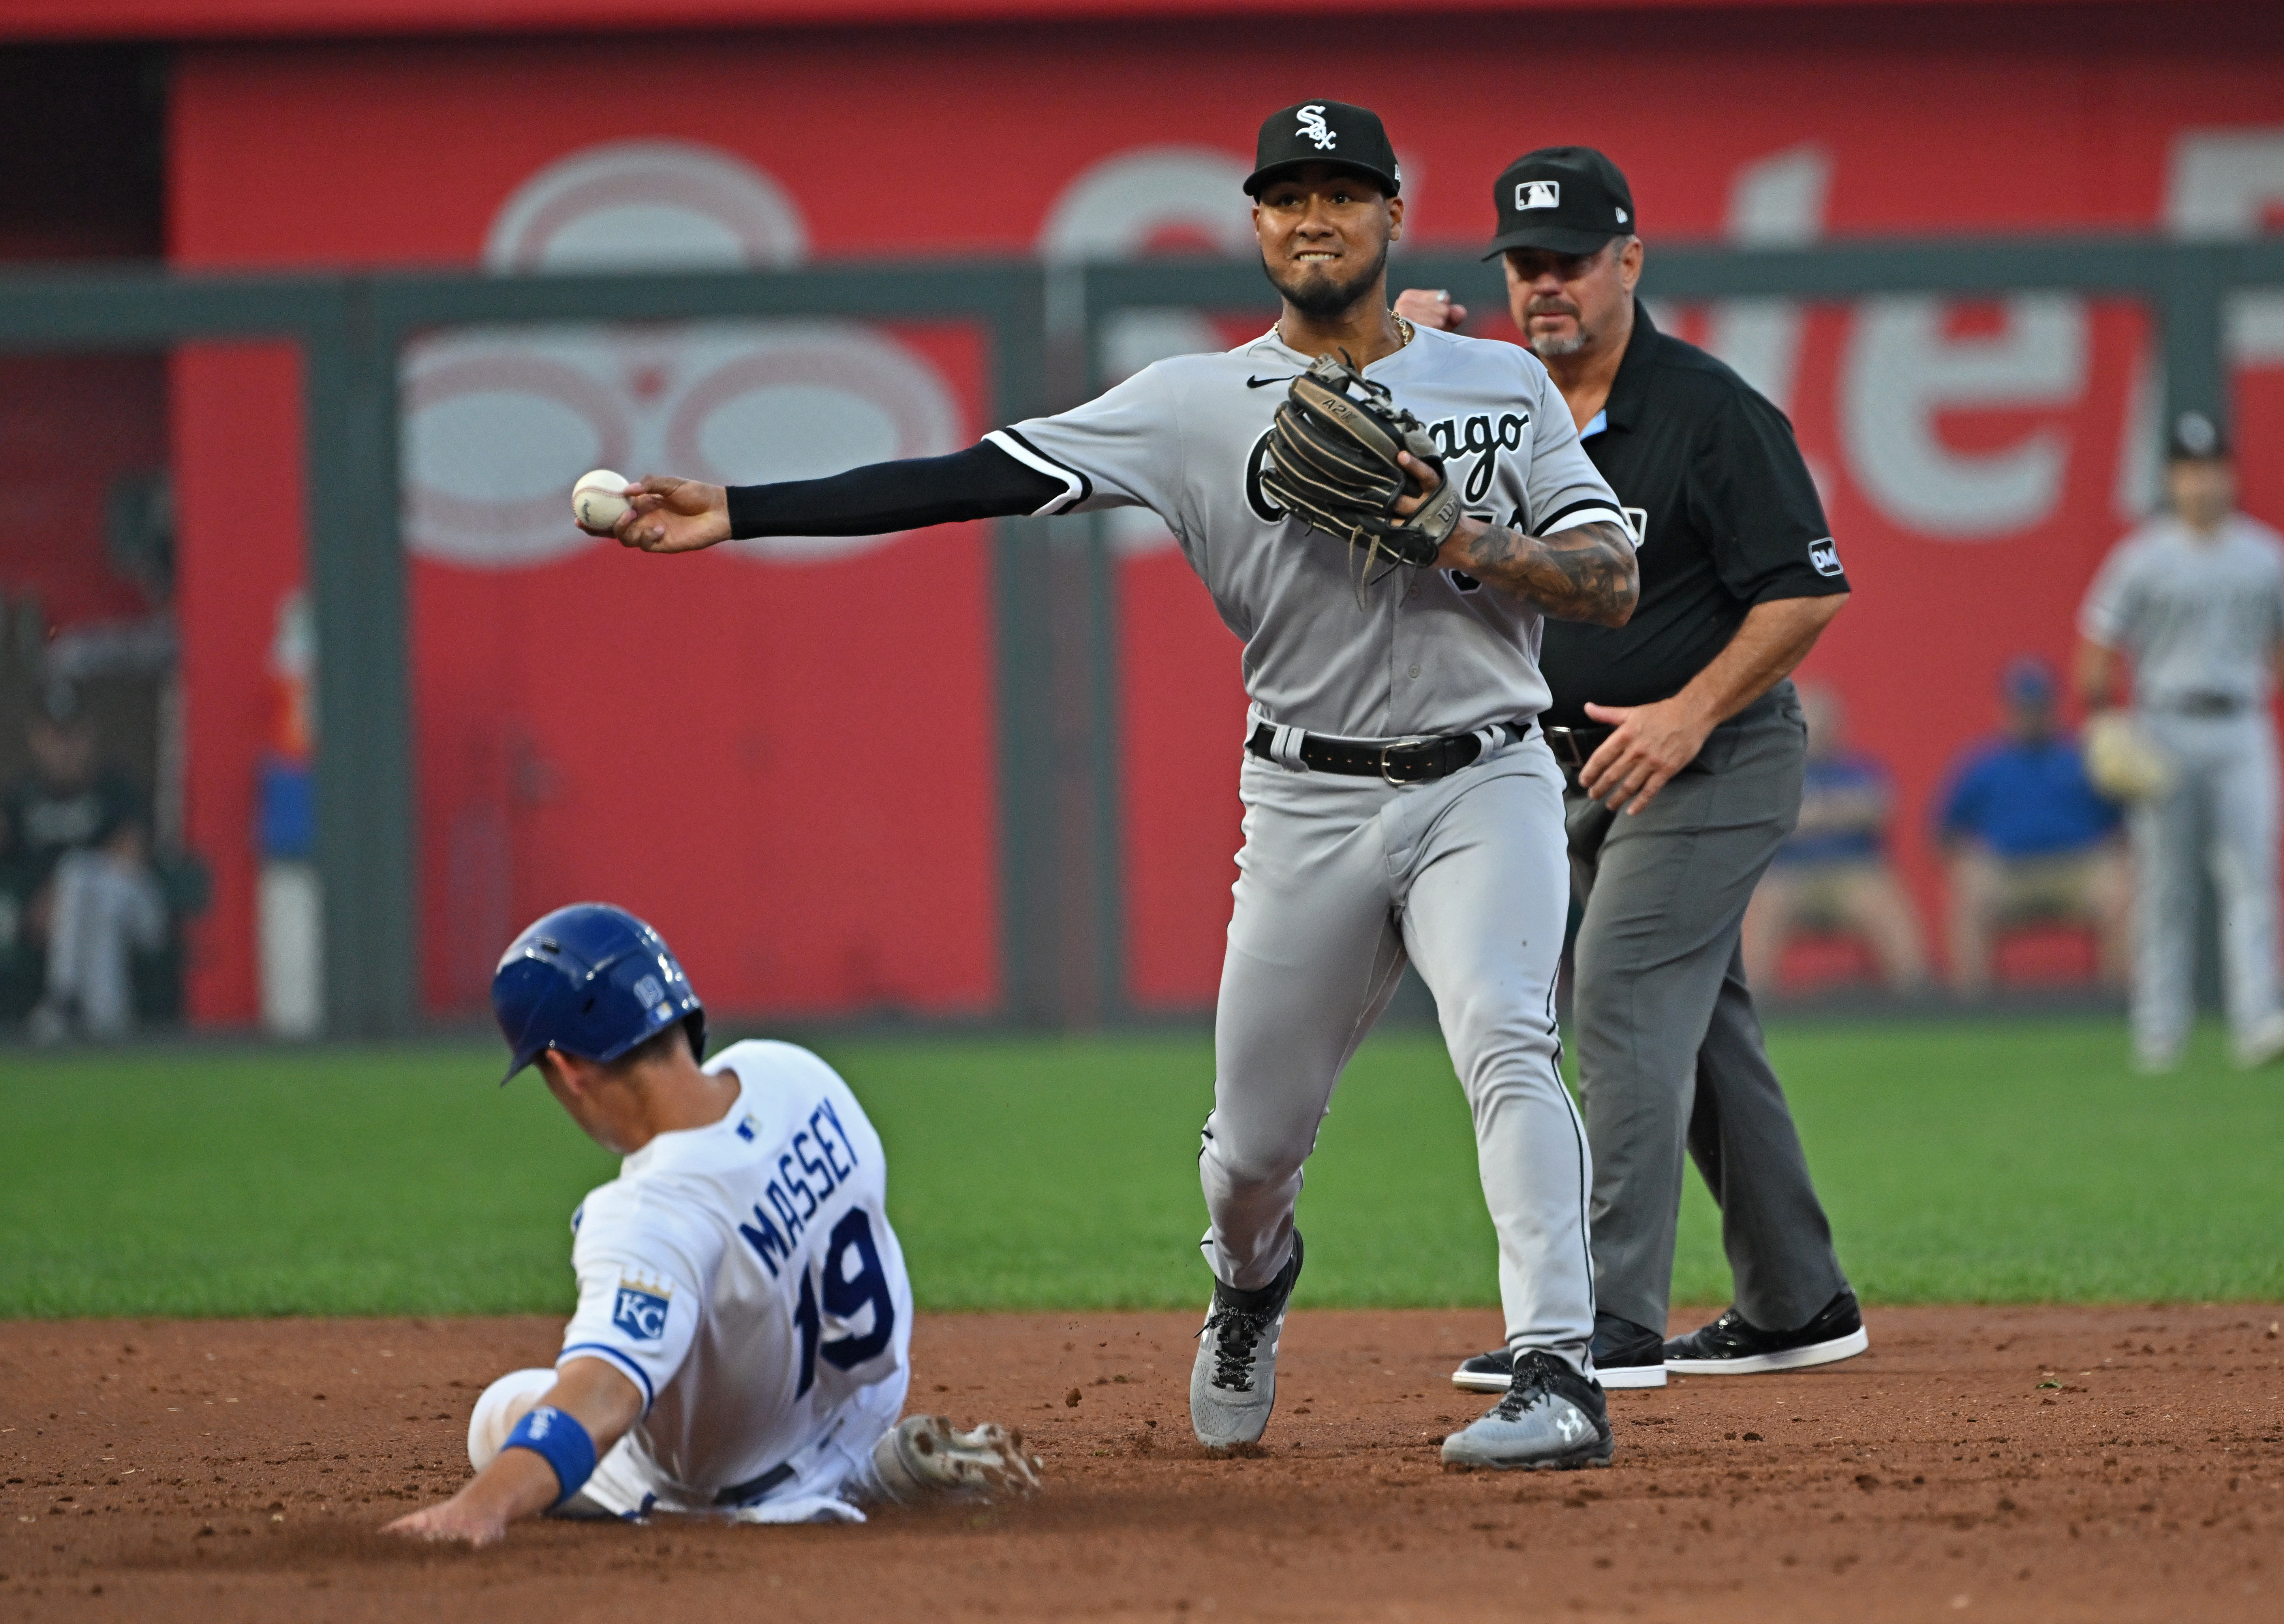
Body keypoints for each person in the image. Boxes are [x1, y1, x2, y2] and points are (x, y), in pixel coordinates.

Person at [594, 101, 1640, 1472]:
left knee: (1507, 1035)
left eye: (1340, 191)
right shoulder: (1187, 404)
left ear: (1392, 216)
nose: (1311, 216)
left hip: (1485, 777)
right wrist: (741, 507)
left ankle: (1559, 1370)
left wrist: (1458, 531)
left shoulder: (1497, 388)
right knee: (1248, 1155)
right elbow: (967, 477)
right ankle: (1251, 1282)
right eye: (1285, 195)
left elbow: (1610, 582)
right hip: (1306, 802)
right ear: (1258, 224)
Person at [1398, 146, 1865, 1392]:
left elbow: (1805, 593)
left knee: (1610, 1000)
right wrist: (1397, 357)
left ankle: (1600, 1325)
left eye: (1568, 263)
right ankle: (1797, 1300)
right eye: (1523, 266)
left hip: (1711, 756)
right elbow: (1345, 459)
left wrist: (1684, 712)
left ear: (1628, 262)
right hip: (1567, 768)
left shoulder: (1707, 412)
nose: (1543, 287)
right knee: (1696, 1026)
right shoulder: (1494, 402)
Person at [386, 903, 1040, 1546]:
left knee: (499, 1415)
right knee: (739, 1300)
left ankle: (854, 1479)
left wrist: (479, 1507)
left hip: (751, 1489)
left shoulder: (648, 1215)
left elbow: (602, 1397)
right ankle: (871, 1461)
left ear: (569, 1067)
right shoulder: (791, 1071)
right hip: (865, 1398)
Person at [2078, 410, 2284, 1071]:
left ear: (2228, 473)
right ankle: (2158, 1033)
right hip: (2162, 721)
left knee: (2251, 874)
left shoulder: (2262, 554)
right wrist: (2103, 717)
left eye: (2211, 468)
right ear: (2170, 478)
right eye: (2188, 469)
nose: (2201, 482)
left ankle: (2256, 1021)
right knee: (2165, 886)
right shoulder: (2143, 557)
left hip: (2238, 720)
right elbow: (2096, 638)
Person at [1937, 656, 2127, 997]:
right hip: (2008, 874)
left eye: (2038, 706)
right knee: (1970, 891)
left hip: (2076, 870)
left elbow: (2122, 824)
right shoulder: (1985, 765)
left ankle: (2116, 1001)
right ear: (2007, 708)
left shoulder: (2083, 756)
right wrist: (1968, 860)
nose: (2031, 715)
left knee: (2119, 887)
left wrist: (2112, 855)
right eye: (2022, 707)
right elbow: (1945, 830)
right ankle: (1972, 1007)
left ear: (2053, 707)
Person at [1740, 682, 1929, 996]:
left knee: (1883, 897)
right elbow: (1768, 822)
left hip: (1852, 876)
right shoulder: (1775, 772)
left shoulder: (1861, 770)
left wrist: (1810, 815)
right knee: (1764, 903)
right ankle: (1753, 1003)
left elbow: (1879, 809)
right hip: (1790, 880)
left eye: (1826, 722)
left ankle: (1918, 996)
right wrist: (1837, 812)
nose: (1819, 730)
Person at [1, 683, 166, 1040]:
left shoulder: (115, 786)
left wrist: (59, 895)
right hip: (82, 921)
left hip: (137, 908)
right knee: (92, 911)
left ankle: (62, 998)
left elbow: (131, 855)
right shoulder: (21, 797)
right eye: (55, 735)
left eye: (72, 734)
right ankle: (108, 1021)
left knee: (78, 875)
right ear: (37, 738)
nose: (64, 746)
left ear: (88, 734)